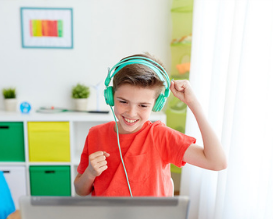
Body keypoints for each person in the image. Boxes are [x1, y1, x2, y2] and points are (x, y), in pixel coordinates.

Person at [74, 53, 227, 197]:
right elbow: (80, 191)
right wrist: (90, 173)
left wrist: (193, 103)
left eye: (143, 105)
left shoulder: (161, 136)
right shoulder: (96, 134)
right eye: (123, 101)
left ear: (157, 104)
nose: (131, 113)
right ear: (110, 96)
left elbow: (217, 162)